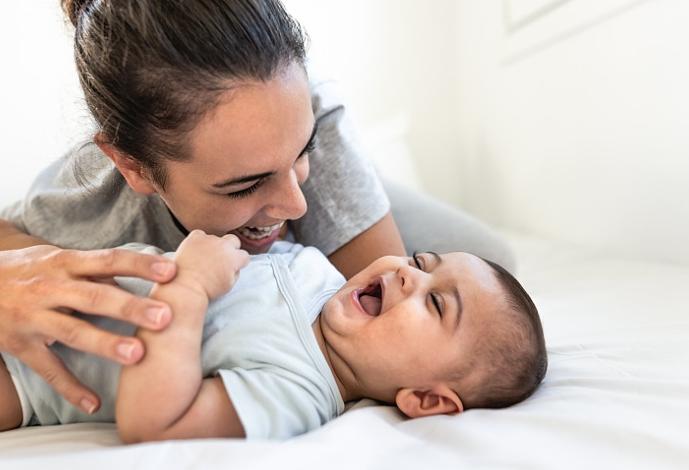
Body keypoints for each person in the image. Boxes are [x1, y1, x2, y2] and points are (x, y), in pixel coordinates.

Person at [0, 0, 515, 416]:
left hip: (313, 143)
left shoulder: (305, 115)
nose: (294, 204)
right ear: (133, 166)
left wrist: (288, 162)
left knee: (491, 271)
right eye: (243, 184)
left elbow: (379, 360)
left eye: (300, 154)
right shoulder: (85, 203)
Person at [0, 231, 547, 440]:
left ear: (426, 398)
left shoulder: (301, 390)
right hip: (38, 283)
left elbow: (154, 422)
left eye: (435, 302)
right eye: (421, 259)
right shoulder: (314, 270)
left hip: (25, 377)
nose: (409, 273)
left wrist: (189, 287)